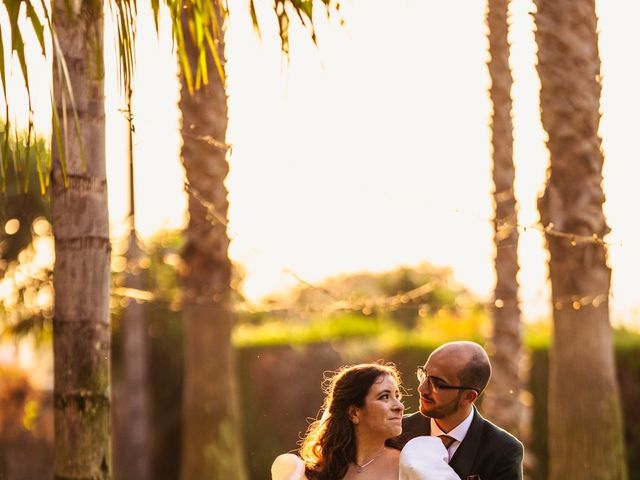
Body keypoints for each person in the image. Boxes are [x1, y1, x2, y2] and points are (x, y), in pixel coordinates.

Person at [272, 362, 461, 480]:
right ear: (354, 413)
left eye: (397, 396)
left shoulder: (414, 462)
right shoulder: (318, 471)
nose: (399, 406)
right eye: (384, 397)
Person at [387, 341, 524, 480]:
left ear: (468, 396)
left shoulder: (504, 451)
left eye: (437, 384)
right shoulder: (395, 432)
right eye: (423, 374)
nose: (422, 388)